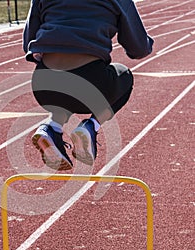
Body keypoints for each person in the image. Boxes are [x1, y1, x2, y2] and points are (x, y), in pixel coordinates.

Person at [23, 0, 154, 171]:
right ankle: (90, 126)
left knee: (67, 85)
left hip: (43, 84)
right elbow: (138, 49)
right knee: (124, 75)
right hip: (91, 82)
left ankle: (51, 127)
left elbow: (28, 43)